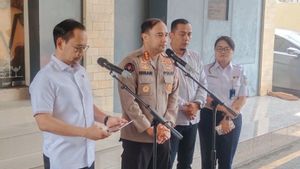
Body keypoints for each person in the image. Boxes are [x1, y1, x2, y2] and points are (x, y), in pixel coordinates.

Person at [29, 19, 127, 169]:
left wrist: (106, 119)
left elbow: (85, 104)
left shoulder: (80, 71)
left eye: (84, 48)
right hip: (64, 160)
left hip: (87, 156)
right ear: (60, 43)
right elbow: (43, 121)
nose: (81, 53)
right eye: (78, 48)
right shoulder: (45, 78)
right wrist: (85, 132)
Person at [118, 18, 179, 169]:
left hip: (162, 137)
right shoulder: (131, 63)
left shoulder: (169, 62)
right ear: (145, 37)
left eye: (166, 35)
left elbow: (174, 97)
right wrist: (148, 128)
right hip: (137, 138)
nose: (165, 39)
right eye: (159, 35)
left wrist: (168, 124)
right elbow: (128, 101)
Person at [198, 36, 248, 169]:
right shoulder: (205, 70)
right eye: (219, 48)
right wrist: (224, 109)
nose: (223, 52)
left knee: (226, 162)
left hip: (232, 119)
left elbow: (242, 97)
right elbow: (203, 96)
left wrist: (227, 117)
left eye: (227, 49)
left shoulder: (239, 70)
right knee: (208, 161)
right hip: (209, 117)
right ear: (214, 51)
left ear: (233, 51)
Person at [168, 19, 207, 169]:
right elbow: (165, 90)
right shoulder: (164, 59)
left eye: (189, 34)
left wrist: (197, 104)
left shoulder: (195, 57)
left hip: (193, 120)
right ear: (171, 35)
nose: (186, 38)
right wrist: (185, 106)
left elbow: (203, 83)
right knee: (166, 162)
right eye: (182, 34)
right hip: (173, 121)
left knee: (186, 163)